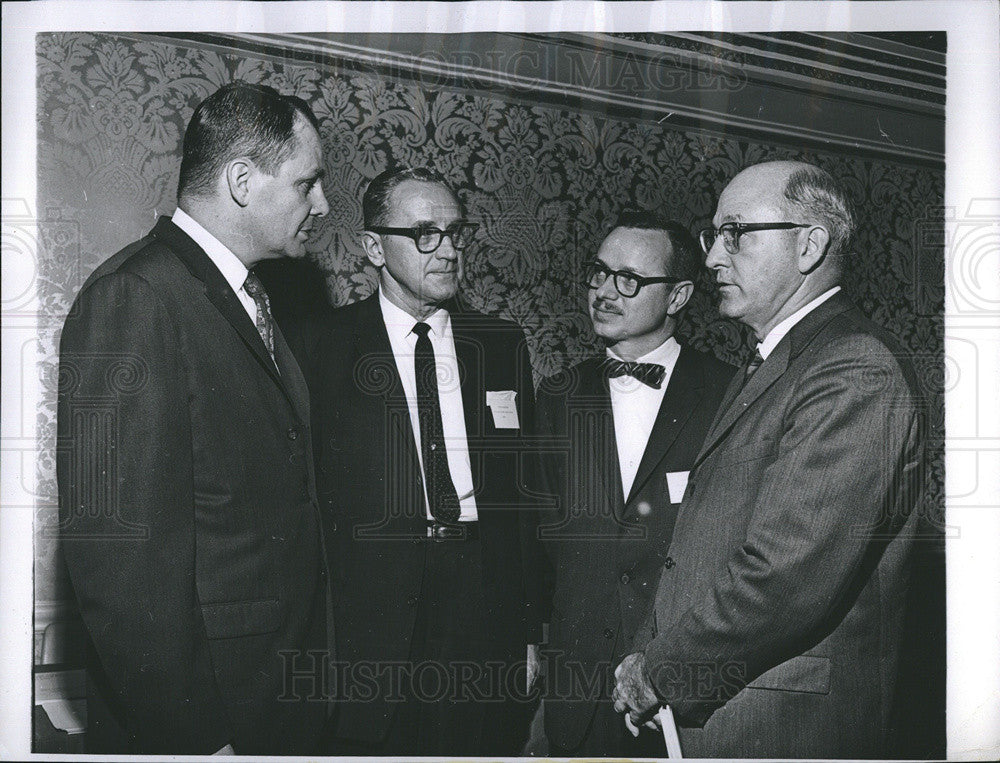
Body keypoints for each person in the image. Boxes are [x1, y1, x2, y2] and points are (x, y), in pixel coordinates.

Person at [612, 160, 925, 757]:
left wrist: (660, 671)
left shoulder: (853, 366)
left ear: (809, 246)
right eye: (713, 235)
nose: (711, 258)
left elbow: (785, 574)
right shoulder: (779, 359)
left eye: (736, 233)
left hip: (781, 728)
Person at [57, 82, 332, 755]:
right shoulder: (135, 297)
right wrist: (198, 739)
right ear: (242, 180)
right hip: (208, 724)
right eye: (308, 182)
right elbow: (118, 561)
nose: (323, 205)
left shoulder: (249, 301)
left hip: (274, 700)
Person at [290, 167, 540, 757]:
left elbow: (522, 500)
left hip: (483, 602)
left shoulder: (500, 345)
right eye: (425, 234)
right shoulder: (316, 347)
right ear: (374, 246)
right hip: (372, 617)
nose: (448, 249)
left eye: (455, 233)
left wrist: (529, 633)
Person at [535, 210, 734, 757]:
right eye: (599, 273)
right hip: (574, 691)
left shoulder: (729, 395)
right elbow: (537, 540)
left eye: (630, 280)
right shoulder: (556, 395)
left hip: (678, 692)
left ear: (678, 297)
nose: (604, 292)